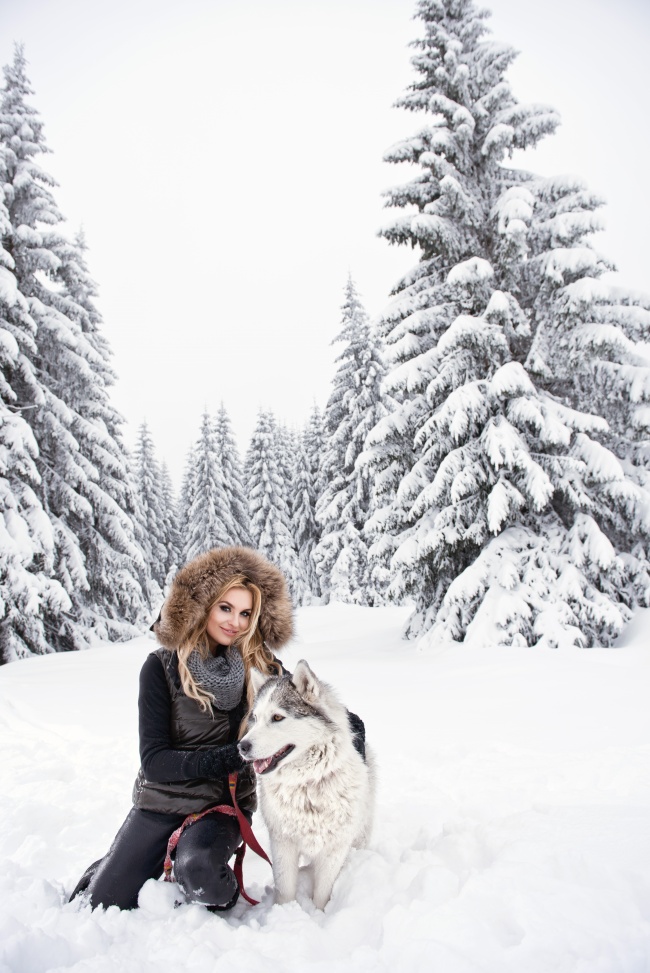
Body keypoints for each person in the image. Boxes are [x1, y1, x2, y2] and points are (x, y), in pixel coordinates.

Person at [70, 545, 293, 911]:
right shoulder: (161, 668)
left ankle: (184, 859)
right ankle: (127, 861)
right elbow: (155, 761)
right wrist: (227, 757)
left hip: (223, 806)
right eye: (225, 608)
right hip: (161, 801)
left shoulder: (261, 666)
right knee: (102, 903)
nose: (234, 622)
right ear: (203, 605)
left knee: (206, 880)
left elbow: (305, 708)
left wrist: (346, 724)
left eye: (245, 613)